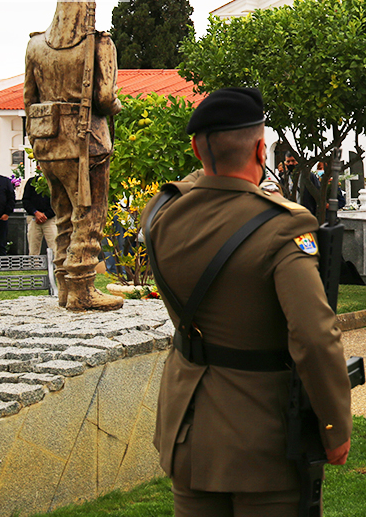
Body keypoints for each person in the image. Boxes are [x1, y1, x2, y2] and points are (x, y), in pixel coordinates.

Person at [143, 87, 352, 515]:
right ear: (261, 149)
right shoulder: (282, 225)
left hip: (187, 428)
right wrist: (334, 428)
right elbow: (314, 336)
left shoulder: (161, 215)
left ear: (195, 150)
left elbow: (191, 184)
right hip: (261, 438)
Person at [23, 0, 122, 310]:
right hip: (88, 143)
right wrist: (116, 108)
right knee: (89, 216)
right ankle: (82, 287)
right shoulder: (98, 44)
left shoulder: (35, 45)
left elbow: (29, 98)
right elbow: (105, 98)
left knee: (63, 214)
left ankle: (65, 286)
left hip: (48, 144)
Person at [23, 165, 56, 255]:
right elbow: (26, 200)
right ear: (38, 167)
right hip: (34, 219)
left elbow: (58, 201)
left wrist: (46, 215)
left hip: (50, 219)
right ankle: (34, 266)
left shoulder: (55, 182)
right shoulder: (31, 182)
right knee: (33, 247)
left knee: (54, 245)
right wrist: (36, 213)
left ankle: (55, 266)